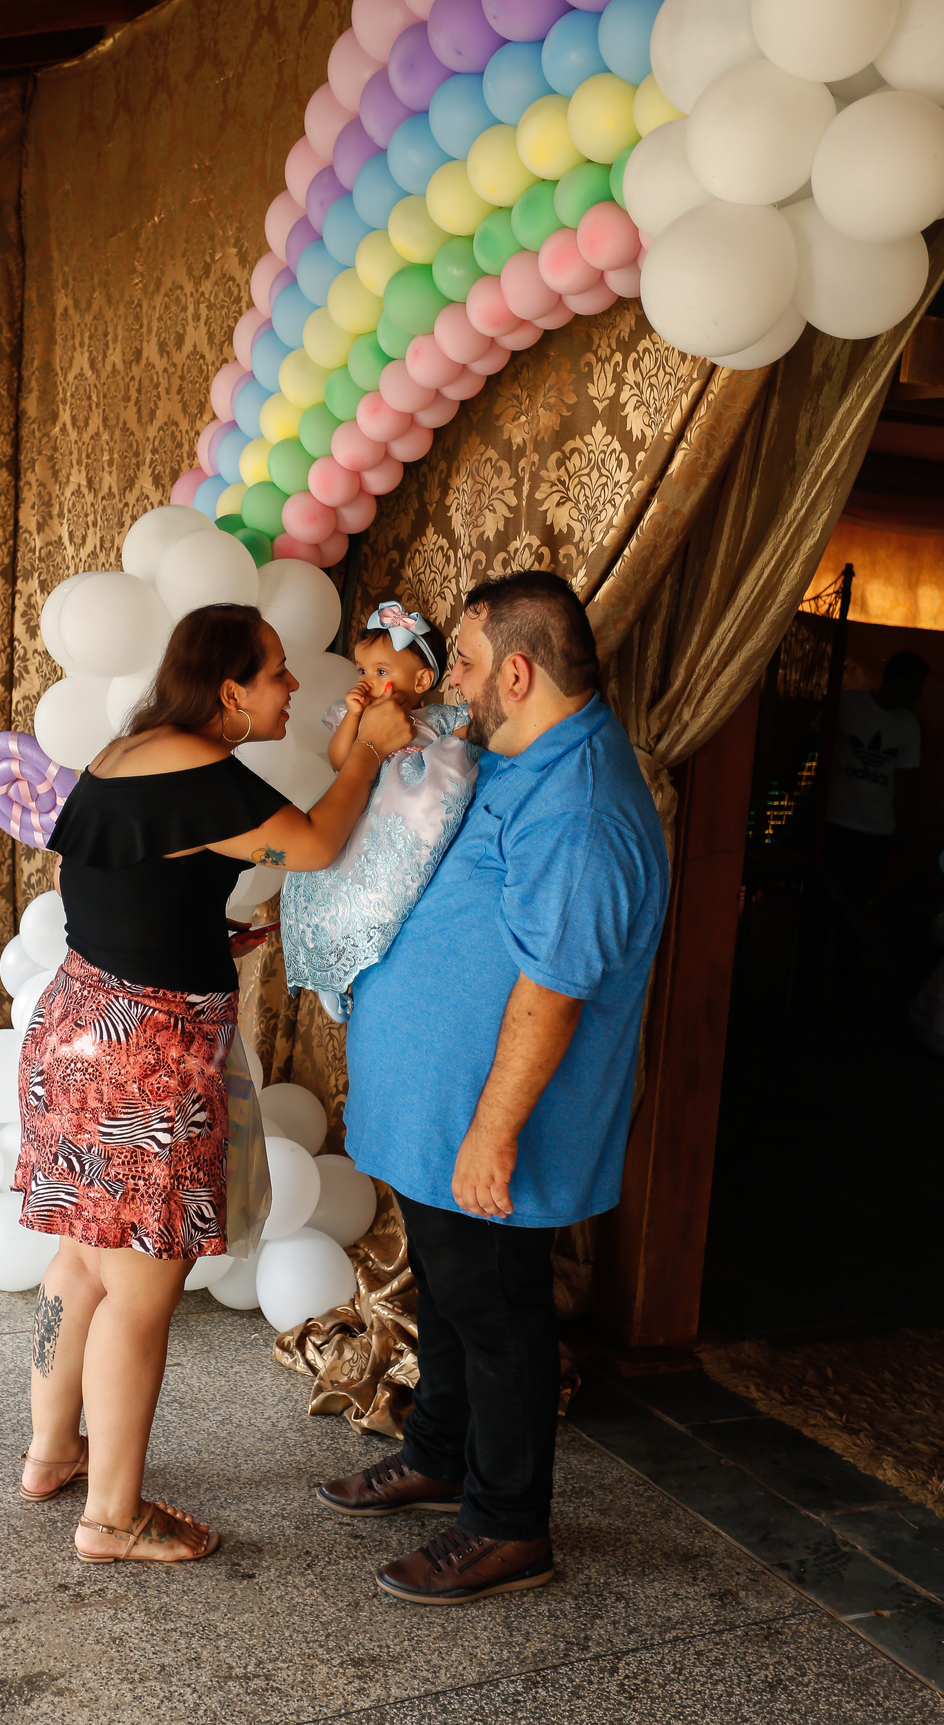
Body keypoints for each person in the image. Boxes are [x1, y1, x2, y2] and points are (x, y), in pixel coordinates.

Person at [12, 602, 412, 1568]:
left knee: (79, 1264)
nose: (293, 685)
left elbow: (120, 879)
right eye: (276, 672)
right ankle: (112, 1517)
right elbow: (315, 844)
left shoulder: (126, 751)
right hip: (145, 1058)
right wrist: (367, 753)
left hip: (75, 1029)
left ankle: (51, 1453)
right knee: (138, 1293)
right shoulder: (203, 768)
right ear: (230, 690)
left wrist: (199, 933)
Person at [318, 570, 670, 1605]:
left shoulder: (583, 807)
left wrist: (491, 1134)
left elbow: (554, 993)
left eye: (465, 663)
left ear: (517, 672)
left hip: (488, 1122)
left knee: (499, 1312)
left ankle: (509, 1525)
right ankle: (439, 1452)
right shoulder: (517, 753)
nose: (452, 680)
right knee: (451, 1290)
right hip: (438, 1109)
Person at [281, 601, 477, 1020]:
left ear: (422, 680)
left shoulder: (437, 718)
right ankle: (332, 972)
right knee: (332, 882)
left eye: (381, 671)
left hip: (397, 818)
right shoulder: (358, 714)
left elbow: (465, 738)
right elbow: (339, 760)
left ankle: (360, 962)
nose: (367, 681)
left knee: (381, 887)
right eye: (362, 670)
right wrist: (354, 717)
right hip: (359, 810)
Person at [822, 650, 928, 904]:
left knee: (852, 905)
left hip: (873, 833)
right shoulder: (848, 704)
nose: (919, 694)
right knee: (828, 902)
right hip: (838, 824)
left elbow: (902, 787)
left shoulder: (909, 726)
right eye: (915, 686)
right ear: (897, 680)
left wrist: (906, 837)